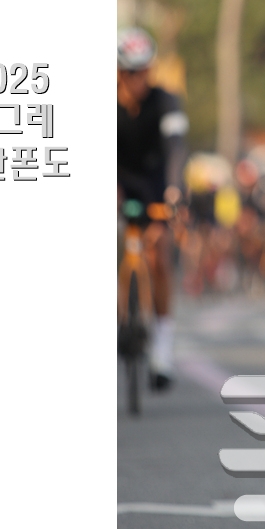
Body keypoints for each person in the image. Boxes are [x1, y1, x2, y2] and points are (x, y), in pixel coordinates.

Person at [116, 27, 189, 390]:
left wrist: (175, 190)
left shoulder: (166, 102)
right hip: (119, 180)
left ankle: (162, 348)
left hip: (157, 183)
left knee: (159, 255)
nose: (137, 79)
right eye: (130, 72)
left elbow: (176, 147)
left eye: (143, 71)